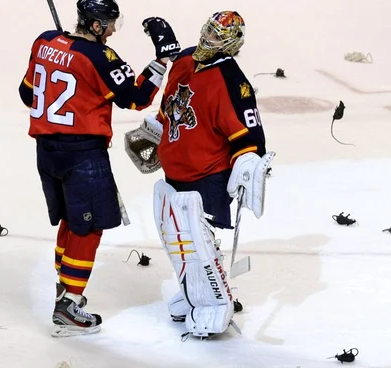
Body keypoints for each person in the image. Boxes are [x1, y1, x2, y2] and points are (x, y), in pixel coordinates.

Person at [18, 0, 181, 337]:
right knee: (88, 228)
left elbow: (26, 93)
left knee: (71, 221)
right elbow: (136, 97)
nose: (111, 31)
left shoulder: (44, 41)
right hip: (82, 155)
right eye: (109, 25)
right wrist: (162, 60)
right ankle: (69, 304)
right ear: (94, 26)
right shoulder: (100, 58)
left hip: (46, 153)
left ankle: (64, 289)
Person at [124, 10, 275, 338]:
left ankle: (215, 302)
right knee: (175, 235)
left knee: (195, 237)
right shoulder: (184, 61)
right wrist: (156, 132)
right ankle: (195, 290)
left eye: (217, 35)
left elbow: (249, 133)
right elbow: (168, 110)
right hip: (176, 167)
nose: (208, 37)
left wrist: (249, 162)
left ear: (231, 44)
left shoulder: (232, 82)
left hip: (208, 173)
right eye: (208, 29)